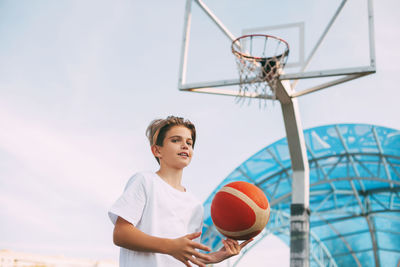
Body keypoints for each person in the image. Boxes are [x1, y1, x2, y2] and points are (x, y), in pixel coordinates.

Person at [108, 116, 252, 267]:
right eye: (176, 140)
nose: (184, 145)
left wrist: (213, 257)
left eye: (189, 143)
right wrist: (170, 246)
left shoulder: (195, 205)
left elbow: (185, 255)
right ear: (157, 150)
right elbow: (121, 234)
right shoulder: (145, 181)